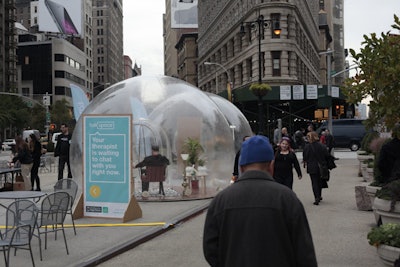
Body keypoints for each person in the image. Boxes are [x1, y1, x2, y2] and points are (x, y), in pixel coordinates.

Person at [203, 135, 317, 267]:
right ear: (270, 164)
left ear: (241, 166)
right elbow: (304, 252)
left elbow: (210, 249)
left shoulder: (221, 201)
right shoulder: (287, 199)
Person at [303, 131, 330, 205]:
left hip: (311, 166)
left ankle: (316, 197)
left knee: (314, 182)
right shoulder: (322, 146)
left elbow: (305, 157)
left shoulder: (307, 147)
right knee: (320, 181)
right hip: (321, 166)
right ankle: (319, 195)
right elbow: (327, 155)